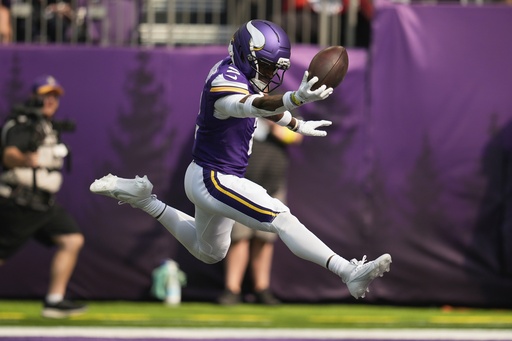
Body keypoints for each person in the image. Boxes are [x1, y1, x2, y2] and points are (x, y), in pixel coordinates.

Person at [90, 19, 392, 300]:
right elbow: (249, 105)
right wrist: (294, 100)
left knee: (209, 252)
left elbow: (259, 102)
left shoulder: (236, 72)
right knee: (281, 218)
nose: (271, 75)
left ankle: (144, 199)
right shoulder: (225, 79)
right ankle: (347, 271)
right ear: (247, 55)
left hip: (209, 176)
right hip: (214, 178)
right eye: (266, 67)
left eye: (275, 68)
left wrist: (295, 123)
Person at [0, 75, 86, 318]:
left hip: (44, 204)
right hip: (19, 201)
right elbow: (9, 155)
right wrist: (27, 159)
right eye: (45, 95)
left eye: (55, 96)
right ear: (33, 97)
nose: (50, 100)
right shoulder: (23, 123)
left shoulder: (47, 126)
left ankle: (54, 301)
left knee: (71, 239)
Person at [217, 120, 302, 305]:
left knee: (265, 239)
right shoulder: (237, 102)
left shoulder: (283, 105)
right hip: (240, 184)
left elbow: (295, 137)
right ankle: (232, 289)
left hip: (272, 185)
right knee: (238, 237)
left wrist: (272, 120)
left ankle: (261, 288)